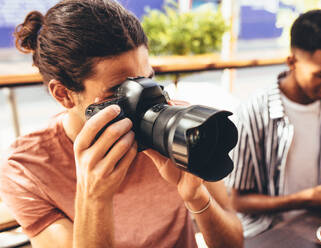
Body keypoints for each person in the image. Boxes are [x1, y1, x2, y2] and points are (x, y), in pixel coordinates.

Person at [0, 0, 243, 247]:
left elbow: (234, 242)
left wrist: (196, 197)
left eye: (148, 80)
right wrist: (94, 196)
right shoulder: (26, 168)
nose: (146, 98)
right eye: (121, 90)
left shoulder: (180, 132)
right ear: (63, 94)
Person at [226, 9, 321, 238]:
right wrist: (308, 198)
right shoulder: (254, 112)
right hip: (270, 231)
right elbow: (237, 201)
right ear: (292, 62)